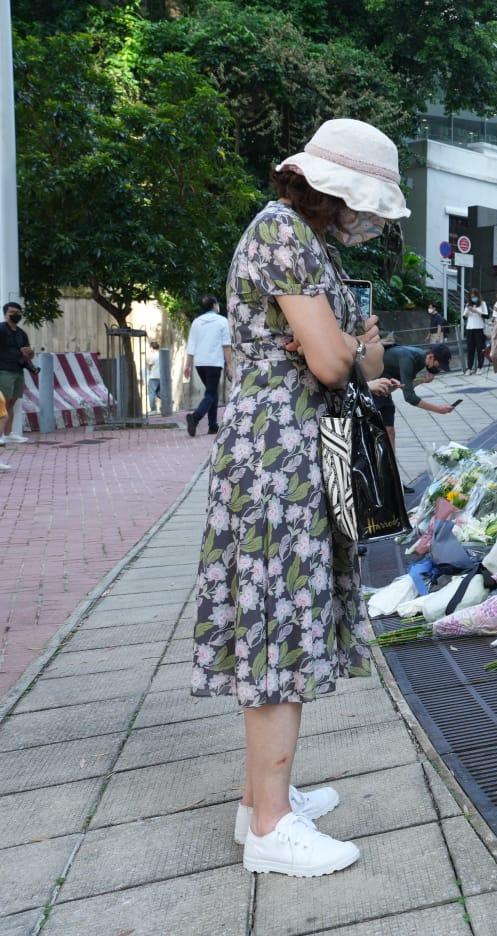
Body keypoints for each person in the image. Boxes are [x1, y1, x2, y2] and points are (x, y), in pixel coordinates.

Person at [192, 117, 400, 878]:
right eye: (371, 206)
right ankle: (271, 827)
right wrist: (340, 348)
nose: (373, 222)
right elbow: (331, 358)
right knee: (281, 627)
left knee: (288, 617)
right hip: (276, 461)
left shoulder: (301, 243)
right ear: (335, 191)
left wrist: (344, 350)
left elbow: (346, 353)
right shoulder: (283, 232)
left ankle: (262, 801)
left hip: (286, 454)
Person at [372, 340, 454, 451]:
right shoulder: (408, 359)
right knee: (376, 433)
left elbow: (405, 386)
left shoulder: (419, 359)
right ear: (431, 357)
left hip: (384, 391)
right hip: (372, 389)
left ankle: (391, 466)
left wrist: (421, 381)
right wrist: (438, 409)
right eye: (438, 365)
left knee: (390, 431)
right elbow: (409, 397)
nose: (438, 369)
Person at [184, 295, 233, 436]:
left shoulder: (196, 322)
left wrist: (187, 366)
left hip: (199, 364)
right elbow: (226, 345)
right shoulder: (222, 321)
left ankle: (213, 425)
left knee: (212, 392)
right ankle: (195, 417)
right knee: (210, 393)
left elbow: (191, 345)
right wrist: (229, 365)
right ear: (214, 305)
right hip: (214, 363)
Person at [0, 301, 35, 446]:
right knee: (3, 403)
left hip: (18, 370)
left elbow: (29, 355)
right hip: (4, 370)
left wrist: (30, 353)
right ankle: (2, 435)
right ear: (5, 314)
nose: (15, 315)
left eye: (18, 313)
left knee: (12, 402)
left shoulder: (22, 333)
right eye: (12, 313)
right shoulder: (1, 330)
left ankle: (8, 434)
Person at [463, 288, 487, 375]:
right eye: (471, 296)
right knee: (470, 349)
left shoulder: (482, 303)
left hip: (479, 328)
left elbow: (486, 316)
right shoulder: (468, 304)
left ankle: (480, 367)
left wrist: (476, 311)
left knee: (480, 349)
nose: (473, 298)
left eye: (474, 296)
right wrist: (467, 312)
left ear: (478, 296)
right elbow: (464, 317)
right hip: (470, 328)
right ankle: (469, 368)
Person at [147, 341, 163, 413]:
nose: (150, 349)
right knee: (158, 392)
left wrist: (147, 366)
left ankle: (153, 410)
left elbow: (149, 366)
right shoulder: (161, 355)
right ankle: (168, 401)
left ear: (152, 348)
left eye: (150, 347)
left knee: (152, 393)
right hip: (161, 377)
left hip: (153, 377)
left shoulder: (153, 355)